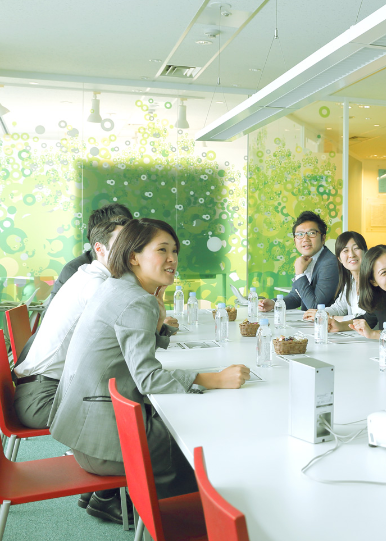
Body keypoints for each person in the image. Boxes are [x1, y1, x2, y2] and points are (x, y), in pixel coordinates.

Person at [48, 218, 250, 522]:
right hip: (105, 444)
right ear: (133, 257)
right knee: (202, 436)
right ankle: (175, 519)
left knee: (187, 416)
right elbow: (148, 378)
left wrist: (157, 319)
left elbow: (127, 349)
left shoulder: (117, 287)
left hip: (85, 431)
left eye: (175, 251)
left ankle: (115, 497)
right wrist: (215, 379)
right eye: (162, 250)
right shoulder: (136, 300)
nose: (172, 259)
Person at [14, 218, 129, 430]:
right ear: (99, 248)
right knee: (133, 414)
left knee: (133, 401)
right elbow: (122, 341)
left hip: (47, 390)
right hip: (42, 399)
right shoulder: (95, 285)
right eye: (122, 243)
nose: (129, 250)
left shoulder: (88, 274)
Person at [15, 202, 134, 366]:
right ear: (99, 240)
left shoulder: (94, 271)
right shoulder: (84, 275)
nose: (129, 246)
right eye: (121, 239)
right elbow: (117, 331)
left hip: (60, 364)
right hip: (49, 369)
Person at [259, 211, 339, 312]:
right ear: (294, 241)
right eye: (300, 234)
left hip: (327, 320)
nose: (305, 239)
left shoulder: (330, 263)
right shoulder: (305, 259)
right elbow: (297, 297)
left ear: (323, 238)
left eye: (312, 233)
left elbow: (315, 306)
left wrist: (299, 274)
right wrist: (274, 303)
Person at [302, 231, 367, 332]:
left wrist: (331, 318)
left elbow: (365, 318)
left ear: (366, 252)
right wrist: (320, 313)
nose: (351, 255)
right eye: (345, 250)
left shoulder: (374, 281)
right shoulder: (351, 281)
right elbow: (339, 308)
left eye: (356, 248)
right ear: (339, 259)